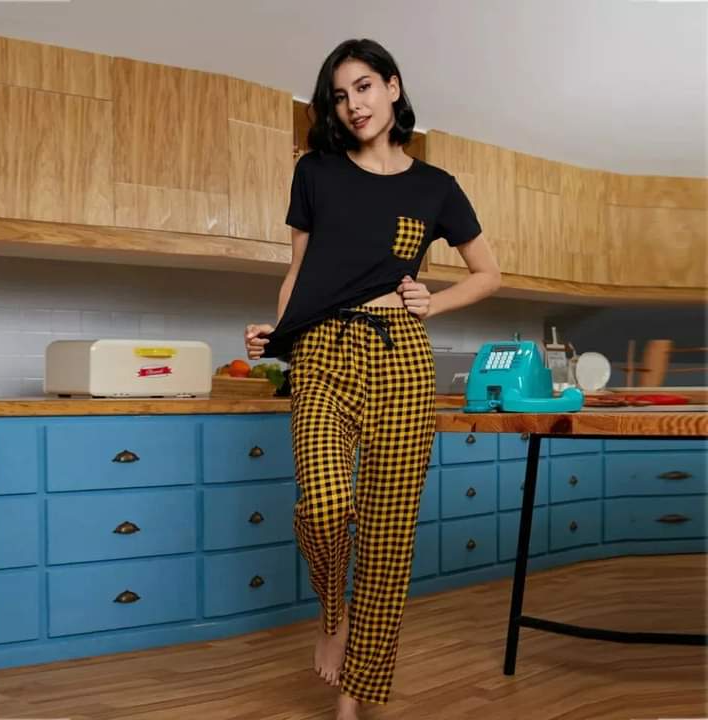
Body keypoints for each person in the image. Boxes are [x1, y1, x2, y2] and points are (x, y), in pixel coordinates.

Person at [244, 38, 501, 720]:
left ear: (391, 87)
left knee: (388, 537)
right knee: (324, 506)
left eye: (362, 87)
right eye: (338, 94)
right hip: (322, 353)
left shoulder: (436, 187)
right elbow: (298, 273)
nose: (352, 104)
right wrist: (280, 338)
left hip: (401, 360)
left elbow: (489, 273)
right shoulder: (316, 172)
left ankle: (354, 699)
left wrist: (431, 301)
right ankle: (332, 616)